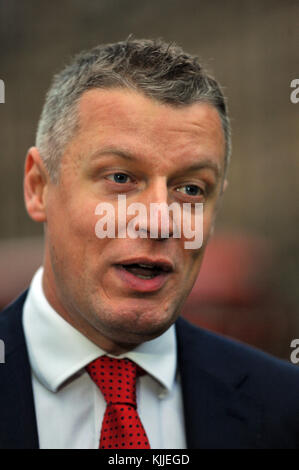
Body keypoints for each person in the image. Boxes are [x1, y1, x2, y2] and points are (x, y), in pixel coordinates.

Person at [0, 38, 299, 450]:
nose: (160, 221)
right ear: (38, 187)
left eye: (191, 188)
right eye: (120, 178)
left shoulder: (285, 408)